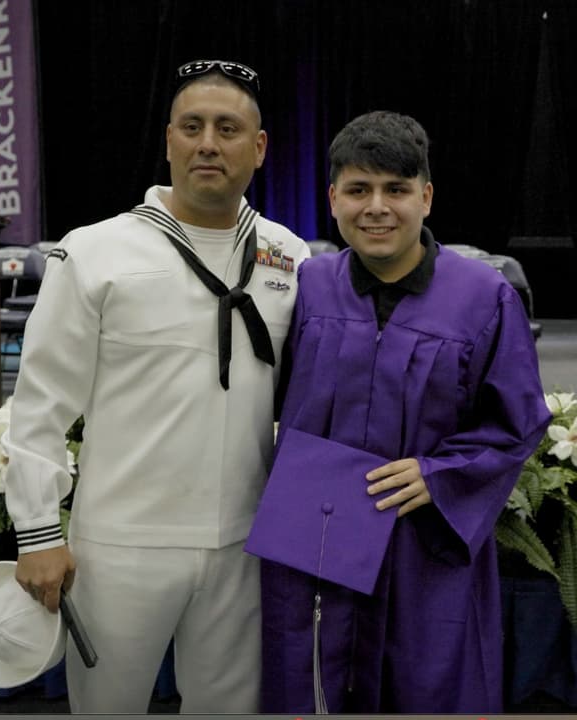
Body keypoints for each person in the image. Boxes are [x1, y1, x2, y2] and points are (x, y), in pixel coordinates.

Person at [0, 60, 308, 713]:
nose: (208, 143)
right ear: (168, 140)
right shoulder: (97, 251)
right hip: (121, 544)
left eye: (228, 129)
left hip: (244, 544)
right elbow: (40, 404)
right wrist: (37, 532)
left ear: (259, 148)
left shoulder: (290, 256)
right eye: (192, 127)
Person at [253, 111, 549, 713]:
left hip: (424, 545)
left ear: (426, 197)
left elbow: (515, 423)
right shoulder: (310, 288)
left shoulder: (483, 297)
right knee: (314, 684)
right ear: (333, 199)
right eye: (358, 190)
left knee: (429, 687)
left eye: (396, 189)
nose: (377, 207)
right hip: (318, 543)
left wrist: (439, 476)